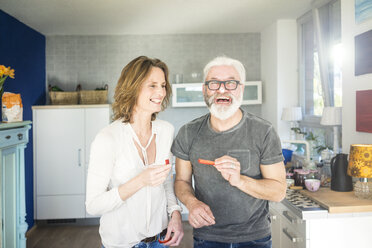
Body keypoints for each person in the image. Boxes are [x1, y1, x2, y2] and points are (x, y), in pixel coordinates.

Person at [171, 56, 286, 248]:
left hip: (255, 238)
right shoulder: (188, 132)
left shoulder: (263, 131)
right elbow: (181, 181)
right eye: (214, 83)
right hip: (207, 236)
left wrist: (240, 180)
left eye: (230, 83)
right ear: (204, 89)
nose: (222, 89)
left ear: (241, 88)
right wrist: (192, 204)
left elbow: (278, 191)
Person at [86, 56, 183, 248]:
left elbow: (165, 181)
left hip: (160, 240)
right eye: (152, 85)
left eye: (163, 85)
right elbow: (93, 205)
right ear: (132, 87)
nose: (161, 92)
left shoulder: (165, 131)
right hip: (121, 243)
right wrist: (140, 181)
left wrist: (175, 214)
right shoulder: (108, 138)